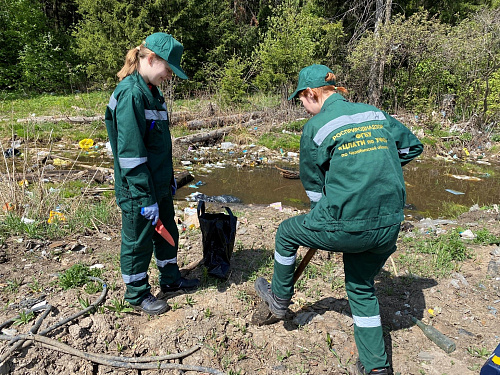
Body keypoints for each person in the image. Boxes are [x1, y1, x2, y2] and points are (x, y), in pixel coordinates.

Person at [254, 64, 423, 375]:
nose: (303, 108)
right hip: (388, 225)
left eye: (301, 101)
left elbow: (313, 187)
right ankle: (376, 368)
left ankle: (278, 300)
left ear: (311, 94)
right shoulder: (374, 113)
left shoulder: (316, 127)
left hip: (346, 223)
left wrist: (331, 206)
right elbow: (412, 147)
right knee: (360, 287)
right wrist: (374, 167)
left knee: (286, 233)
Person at [105, 33, 199, 316]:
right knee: (138, 241)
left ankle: (171, 280)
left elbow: (157, 144)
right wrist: (144, 196)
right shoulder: (132, 93)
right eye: (168, 68)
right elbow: (131, 154)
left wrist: (167, 180)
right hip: (138, 189)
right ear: (151, 59)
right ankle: (136, 294)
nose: (170, 75)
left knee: (167, 231)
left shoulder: (152, 93)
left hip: (157, 184)